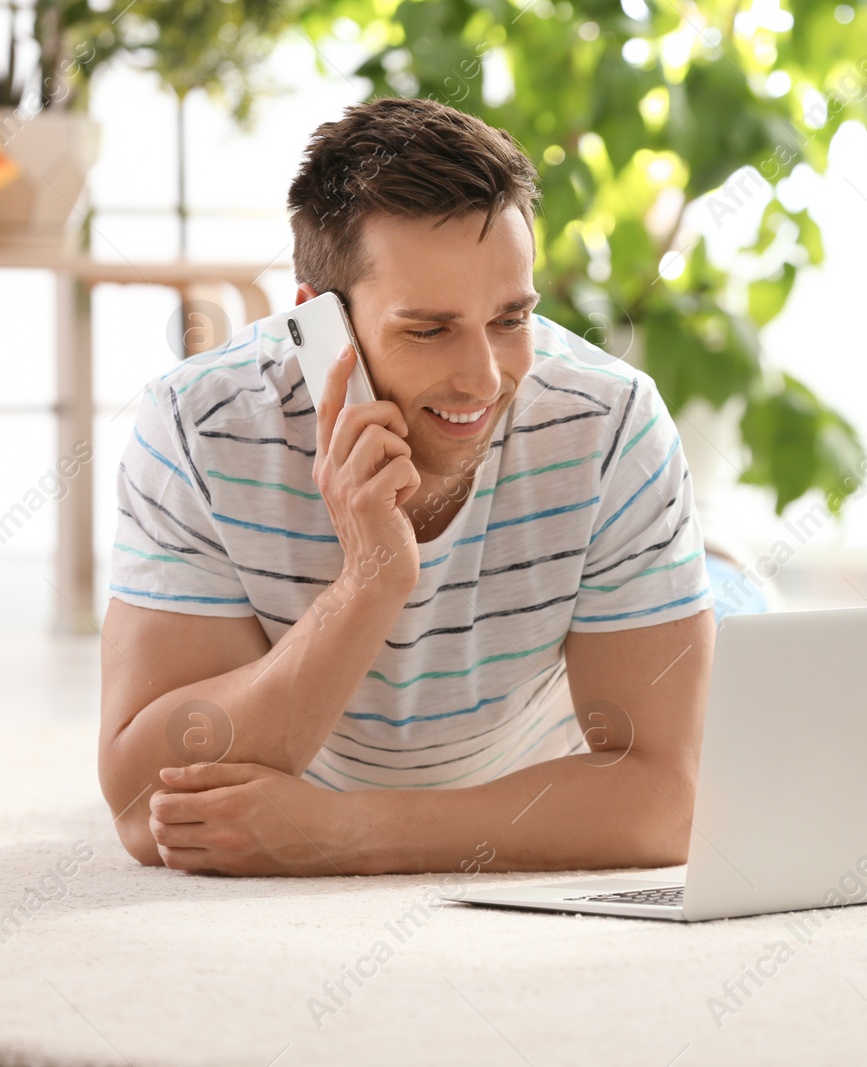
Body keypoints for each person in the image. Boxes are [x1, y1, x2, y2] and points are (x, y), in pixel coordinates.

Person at [98, 98, 724, 876]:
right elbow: (143, 808)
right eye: (428, 329)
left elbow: (669, 801)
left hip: (533, 747)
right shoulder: (198, 426)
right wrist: (370, 581)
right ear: (318, 325)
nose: (484, 378)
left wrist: (345, 832)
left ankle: (719, 569)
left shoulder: (612, 422)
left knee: (765, 680)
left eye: (510, 317)